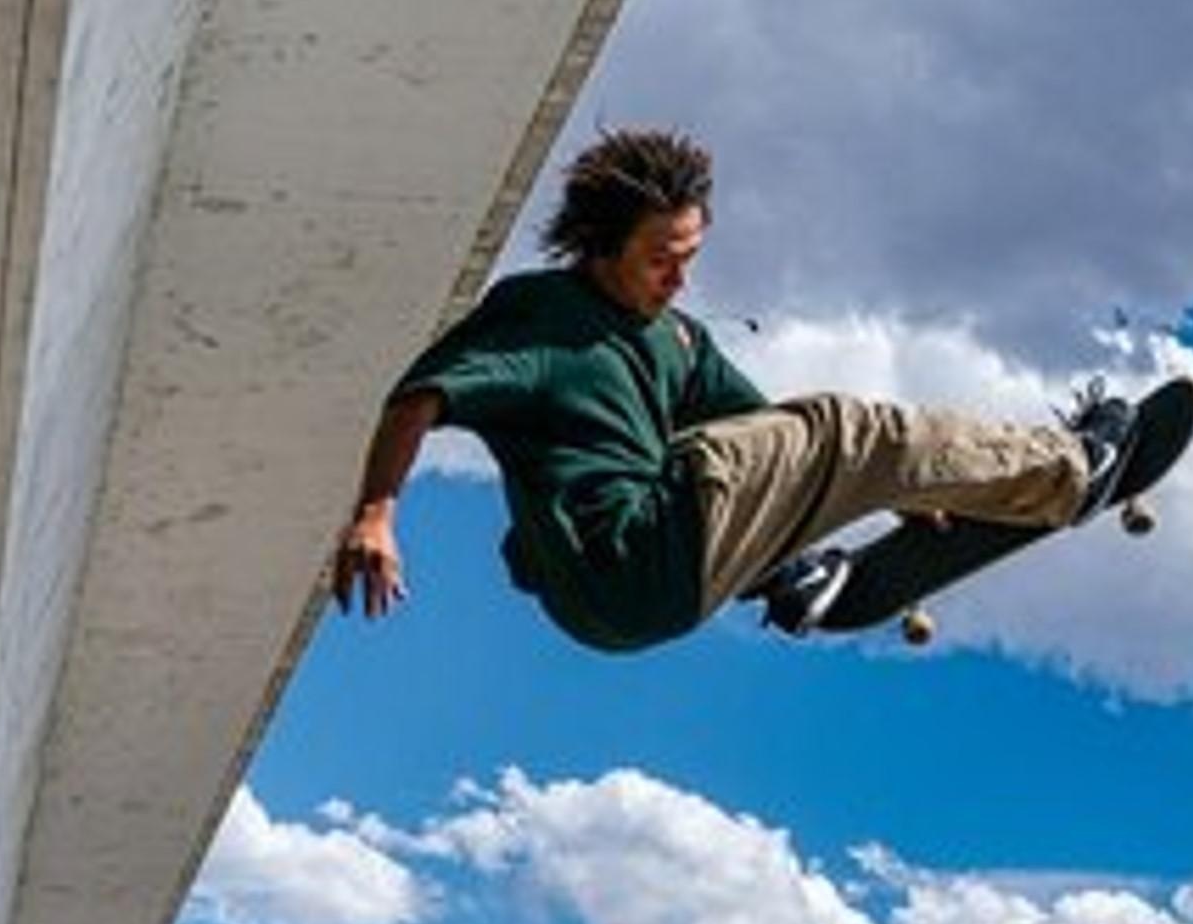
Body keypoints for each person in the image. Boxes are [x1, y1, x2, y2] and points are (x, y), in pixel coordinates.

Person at [332, 127, 1138, 649]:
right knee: (845, 426)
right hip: (630, 556)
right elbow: (419, 398)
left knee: (776, 441)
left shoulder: (680, 341)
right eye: (659, 258)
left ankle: (788, 574)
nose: (678, 279)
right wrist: (376, 515)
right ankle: (1073, 470)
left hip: (624, 601)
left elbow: (767, 442)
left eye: (689, 257)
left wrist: (900, 486)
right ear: (599, 247)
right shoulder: (540, 311)